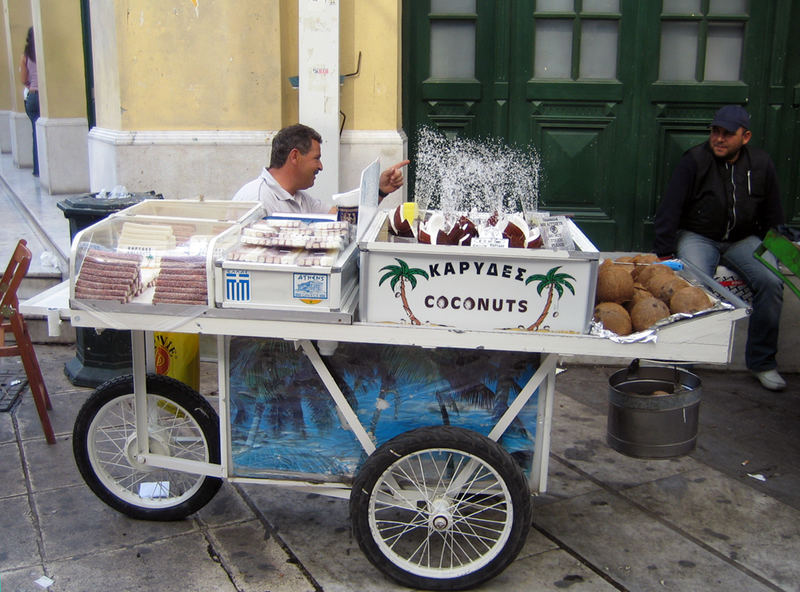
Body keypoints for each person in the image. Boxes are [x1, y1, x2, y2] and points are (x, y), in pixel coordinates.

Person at [654, 105, 786, 391]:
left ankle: (763, 363)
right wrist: (664, 253)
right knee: (692, 283)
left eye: (728, 133)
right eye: (716, 131)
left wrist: (780, 250)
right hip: (699, 236)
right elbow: (670, 207)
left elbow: (774, 214)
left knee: (771, 282)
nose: (719, 138)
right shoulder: (694, 161)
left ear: (745, 136)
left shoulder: (761, 164)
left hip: (743, 239)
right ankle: (682, 361)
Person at [233, 123, 409, 214]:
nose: (321, 166)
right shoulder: (257, 199)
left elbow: (342, 218)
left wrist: (378, 191)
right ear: (294, 156)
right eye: (316, 158)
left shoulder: (301, 199)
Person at [19, 26, 39, 177]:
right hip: (45, 96)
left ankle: (37, 169)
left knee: (36, 132)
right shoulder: (44, 53)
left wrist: (31, 84)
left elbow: (23, 79)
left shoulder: (25, 56)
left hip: (32, 95)